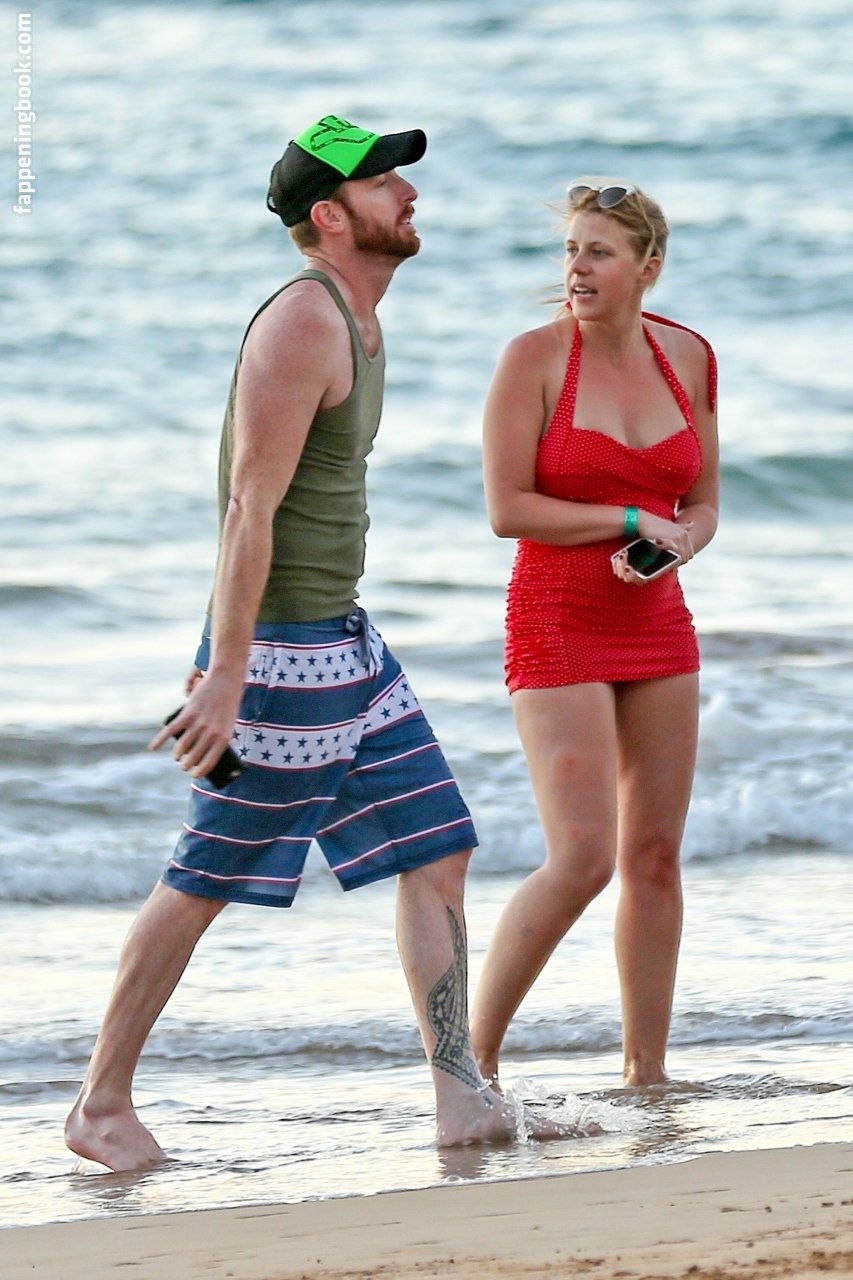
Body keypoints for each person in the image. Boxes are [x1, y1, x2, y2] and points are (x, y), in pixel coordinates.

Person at [65, 114, 558, 1173]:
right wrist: (227, 669)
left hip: (345, 638)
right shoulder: (303, 320)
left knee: (436, 843)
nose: (407, 195)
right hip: (283, 655)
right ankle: (100, 1103)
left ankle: (460, 1096)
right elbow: (249, 504)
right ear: (330, 215)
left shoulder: (358, 318)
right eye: (383, 184)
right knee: (208, 871)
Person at [470, 180, 719, 1089]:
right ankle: (469, 1063)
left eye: (598, 253)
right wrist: (627, 518)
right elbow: (507, 509)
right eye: (572, 250)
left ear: (647, 267)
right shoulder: (533, 359)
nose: (576, 268)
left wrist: (678, 542)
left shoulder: (688, 356)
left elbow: (702, 503)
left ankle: (646, 1075)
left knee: (653, 857)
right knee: (580, 857)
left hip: (655, 619)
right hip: (557, 618)